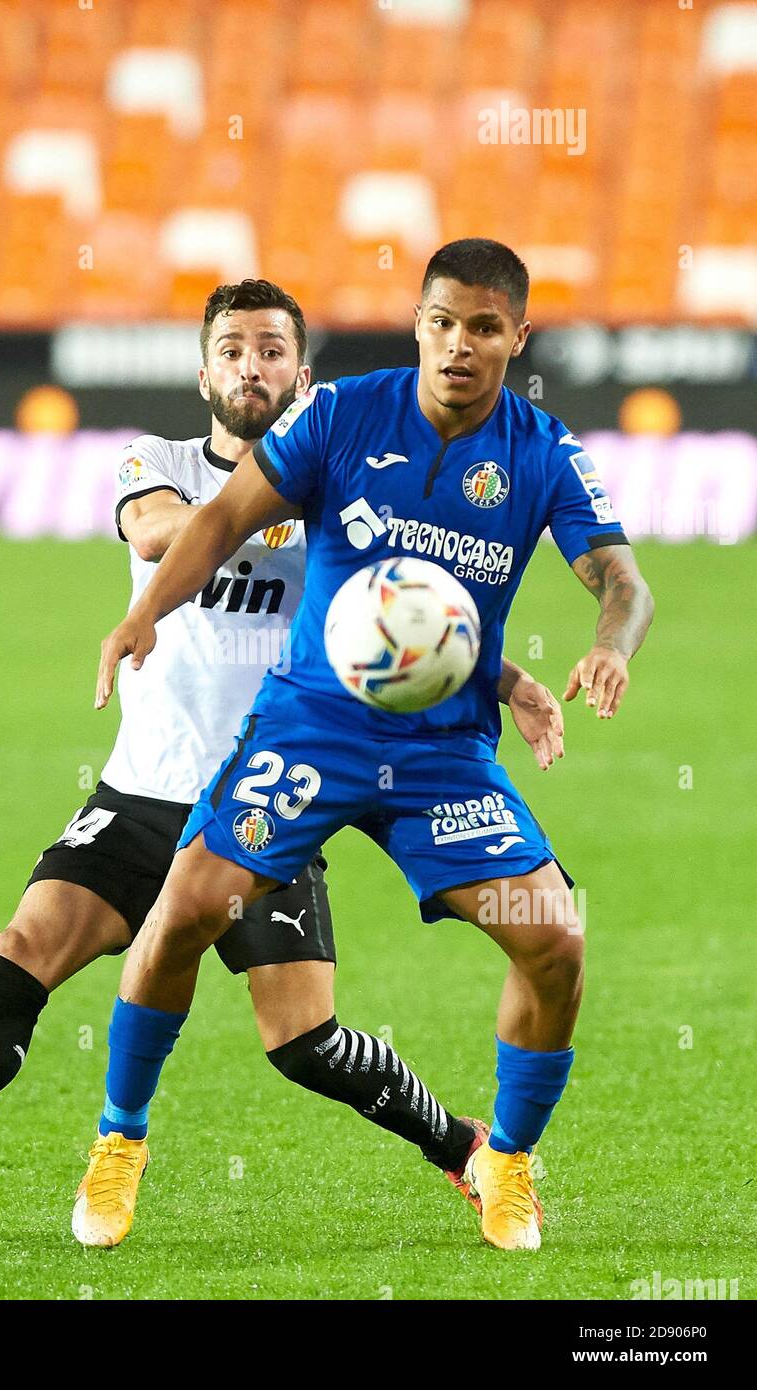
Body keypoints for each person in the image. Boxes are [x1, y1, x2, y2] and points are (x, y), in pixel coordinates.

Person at [0, 278, 564, 1235]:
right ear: (204, 370)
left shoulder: (343, 476)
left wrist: (507, 680)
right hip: (145, 788)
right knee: (23, 949)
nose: (253, 365)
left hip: (270, 798)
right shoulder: (151, 460)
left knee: (304, 1042)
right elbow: (161, 529)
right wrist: (257, 513)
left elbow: (410, 619)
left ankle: (465, 1149)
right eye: (234, 349)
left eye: (273, 349)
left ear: (303, 371)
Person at [84, 241, 655, 1253]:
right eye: (440, 322)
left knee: (552, 939)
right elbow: (218, 520)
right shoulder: (340, 414)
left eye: (482, 328)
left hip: (440, 753)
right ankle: (119, 1141)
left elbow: (620, 577)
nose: (457, 345)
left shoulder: (543, 451)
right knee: (178, 917)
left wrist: (608, 645)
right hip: (311, 726)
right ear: (418, 323)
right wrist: (144, 616)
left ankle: (505, 1161)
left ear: (515, 337)